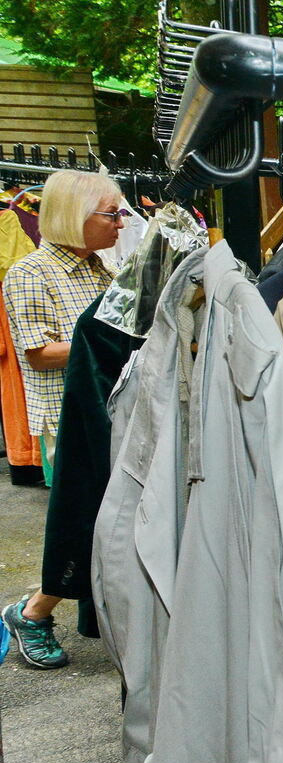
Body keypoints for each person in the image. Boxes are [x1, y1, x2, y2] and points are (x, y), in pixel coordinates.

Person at [2, 169, 123, 668]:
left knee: (103, 519)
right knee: (85, 522)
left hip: (102, 410)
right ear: (77, 216)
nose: (121, 223)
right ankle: (31, 612)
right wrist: (113, 344)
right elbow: (38, 352)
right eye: (111, 213)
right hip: (64, 420)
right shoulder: (31, 274)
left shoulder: (101, 269)